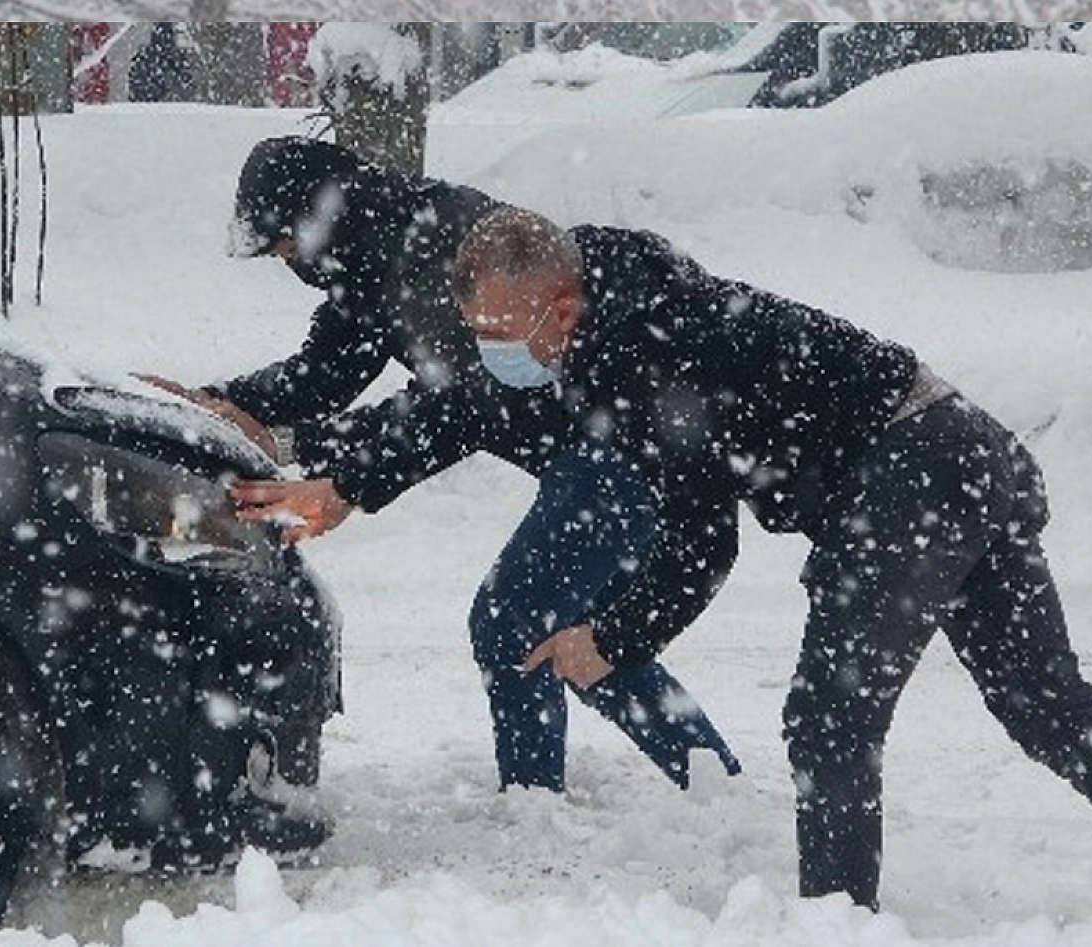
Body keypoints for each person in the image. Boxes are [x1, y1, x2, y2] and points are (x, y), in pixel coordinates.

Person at [337, 203, 1092, 940]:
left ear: (561, 308)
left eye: (507, 333)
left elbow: (704, 546)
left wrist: (607, 639)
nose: (503, 355)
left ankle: (839, 928)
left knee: (831, 719)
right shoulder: (635, 308)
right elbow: (514, 422)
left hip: (908, 480)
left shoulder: (644, 347)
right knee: (1052, 708)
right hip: (969, 449)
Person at [160, 136, 738, 792]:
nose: (287, 260)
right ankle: (714, 783)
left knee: (513, 618)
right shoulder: (368, 260)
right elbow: (323, 374)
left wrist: (341, 474)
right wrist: (219, 404)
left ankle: (533, 804)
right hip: (588, 448)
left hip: (615, 440)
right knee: (581, 634)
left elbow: (461, 405)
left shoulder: (439, 245)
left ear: (319, 215)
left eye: (286, 242)